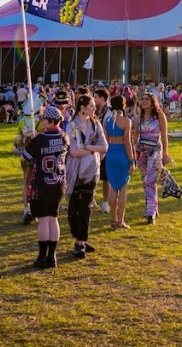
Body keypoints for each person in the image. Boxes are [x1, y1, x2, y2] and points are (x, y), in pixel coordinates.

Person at [23, 106, 70, 269]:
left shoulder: (40, 139)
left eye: (43, 119)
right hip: (58, 182)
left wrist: (31, 140)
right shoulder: (64, 137)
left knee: (44, 219)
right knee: (53, 217)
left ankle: (42, 256)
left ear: (50, 121)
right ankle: (52, 256)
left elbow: (25, 156)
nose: (41, 121)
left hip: (42, 183)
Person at [66, 94, 106, 258]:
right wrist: (93, 149)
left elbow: (104, 147)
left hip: (92, 171)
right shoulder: (73, 126)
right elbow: (74, 151)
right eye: (90, 106)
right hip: (75, 173)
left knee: (86, 207)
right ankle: (78, 238)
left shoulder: (95, 125)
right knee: (75, 207)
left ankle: (81, 242)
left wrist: (87, 148)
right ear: (82, 108)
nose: (94, 108)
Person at [135, 93, 172, 224]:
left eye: (147, 99)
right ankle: (151, 205)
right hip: (141, 151)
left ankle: (150, 213)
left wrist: (165, 154)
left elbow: (164, 136)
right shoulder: (139, 116)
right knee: (145, 181)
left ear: (152, 102)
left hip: (155, 151)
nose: (143, 101)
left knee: (150, 180)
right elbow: (135, 135)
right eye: (142, 99)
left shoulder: (159, 116)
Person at [103, 95, 135, 229]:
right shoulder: (126, 121)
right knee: (123, 188)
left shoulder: (107, 120)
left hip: (110, 153)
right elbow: (127, 142)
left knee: (113, 187)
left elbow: (105, 140)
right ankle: (120, 220)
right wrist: (132, 160)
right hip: (122, 153)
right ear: (123, 105)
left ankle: (113, 219)